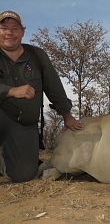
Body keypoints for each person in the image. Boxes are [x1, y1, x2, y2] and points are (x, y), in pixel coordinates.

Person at [0, 10, 83, 182]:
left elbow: (54, 87)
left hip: (22, 124)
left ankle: (10, 159)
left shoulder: (37, 56)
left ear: (22, 32)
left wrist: (67, 116)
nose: (9, 32)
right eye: (3, 28)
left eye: (14, 28)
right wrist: (10, 91)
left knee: (23, 175)